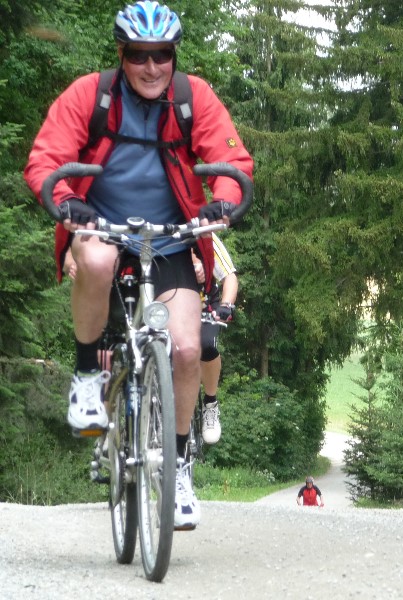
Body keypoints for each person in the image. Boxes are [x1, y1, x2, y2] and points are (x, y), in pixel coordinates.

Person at [24, 0, 254, 529]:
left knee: (190, 347)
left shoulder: (193, 97)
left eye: (162, 55)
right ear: (121, 55)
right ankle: (87, 376)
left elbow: (231, 158)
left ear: (174, 56)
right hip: (103, 228)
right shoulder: (90, 95)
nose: (151, 67)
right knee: (98, 257)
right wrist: (68, 203)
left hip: (170, 240)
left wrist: (220, 200)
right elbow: (47, 158)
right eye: (138, 55)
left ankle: (177, 468)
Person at [192, 232, 238, 445]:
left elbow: (229, 276)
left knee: (206, 345)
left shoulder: (203, 235)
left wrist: (226, 304)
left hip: (203, 305)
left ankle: (210, 403)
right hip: (164, 307)